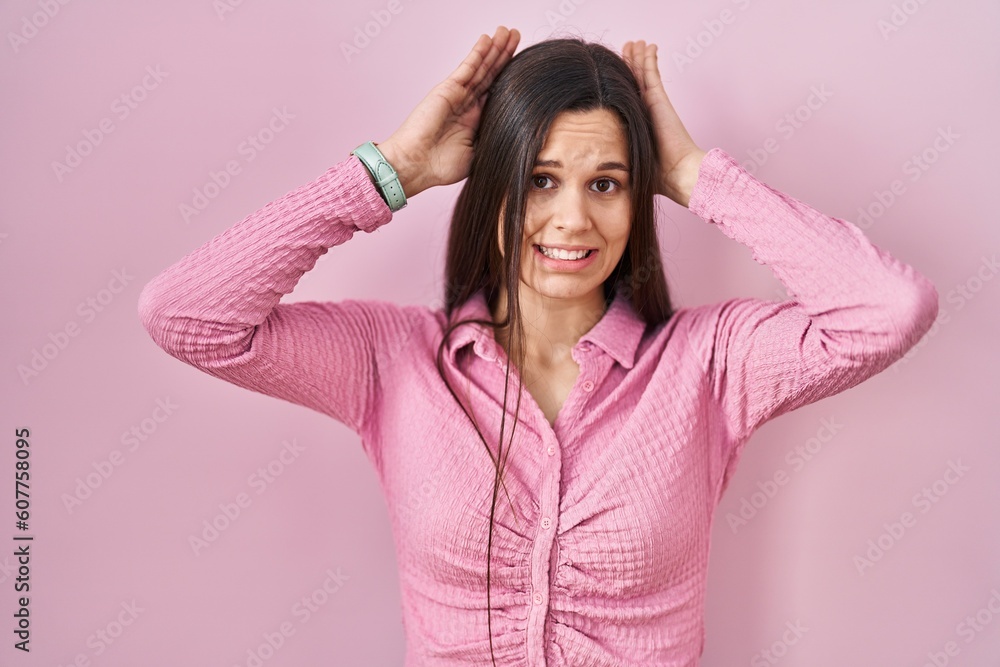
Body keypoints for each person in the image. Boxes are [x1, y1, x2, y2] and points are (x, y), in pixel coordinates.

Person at [138, 26, 939, 667]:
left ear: (640, 194)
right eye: (541, 179)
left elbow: (889, 309)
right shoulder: (394, 360)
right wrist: (392, 172)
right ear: (495, 188)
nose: (570, 222)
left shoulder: (710, 362)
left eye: (607, 183)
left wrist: (695, 174)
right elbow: (186, 315)